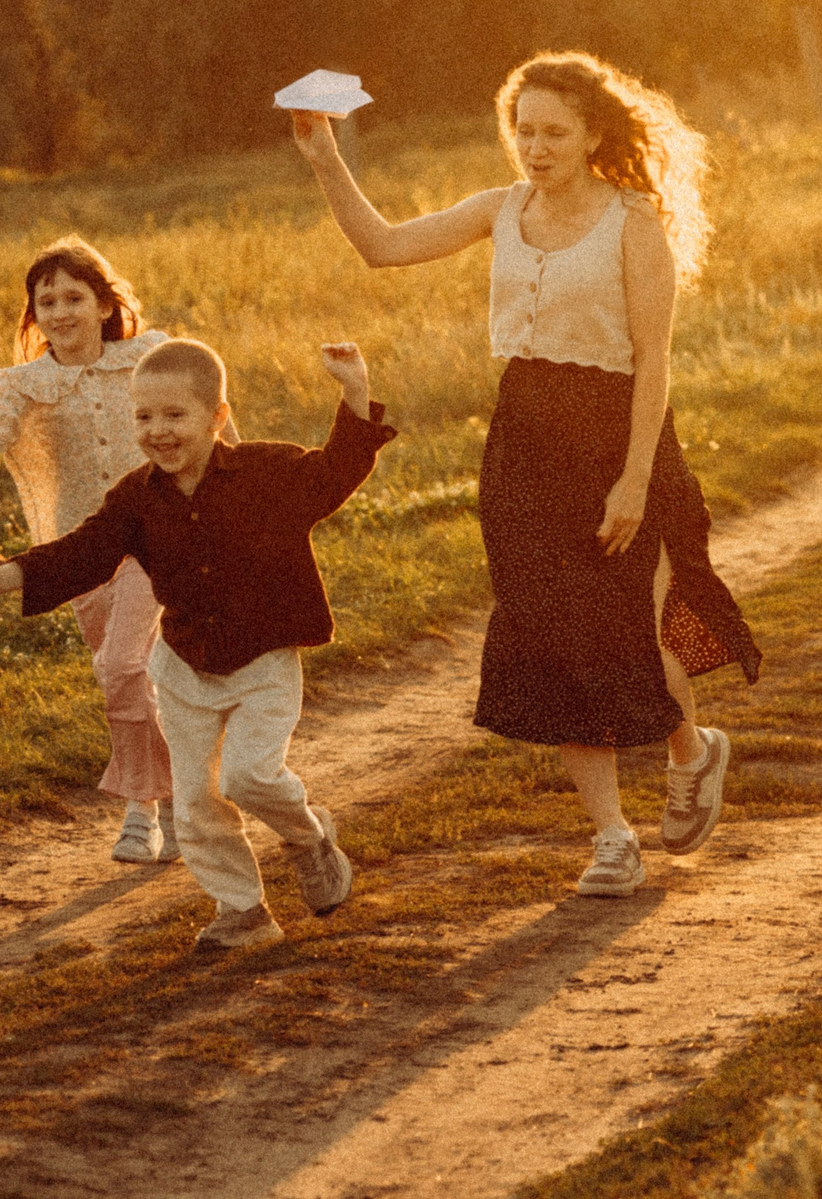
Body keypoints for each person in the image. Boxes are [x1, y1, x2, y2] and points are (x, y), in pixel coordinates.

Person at [288, 50, 760, 896]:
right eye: (524, 130)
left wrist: (634, 479)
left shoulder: (633, 220)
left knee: (633, 631)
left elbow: (654, 362)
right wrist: (324, 153)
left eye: (554, 131)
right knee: (551, 632)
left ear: (590, 136)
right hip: (524, 441)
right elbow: (383, 247)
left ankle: (693, 748)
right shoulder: (501, 208)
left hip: (619, 434)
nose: (535, 148)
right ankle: (612, 836)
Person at [0, 338, 396, 947]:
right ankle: (243, 911)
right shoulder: (136, 498)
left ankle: (309, 836)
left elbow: (336, 471)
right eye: (143, 416)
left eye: (175, 416)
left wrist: (353, 387)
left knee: (248, 777)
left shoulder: (264, 472)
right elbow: (82, 554)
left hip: (264, 660)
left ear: (216, 417)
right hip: (184, 666)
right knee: (196, 802)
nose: (157, 431)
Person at [0, 237, 183, 864]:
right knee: (128, 679)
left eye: (75, 298)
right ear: (34, 315)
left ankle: (143, 809)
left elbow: (210, 418)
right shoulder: (24, 384)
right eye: (46, 301)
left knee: (121, 668)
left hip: (156, 542)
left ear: (106, 306)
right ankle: (175, 795)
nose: (61, 312)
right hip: (77, 555)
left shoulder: (152, 355)